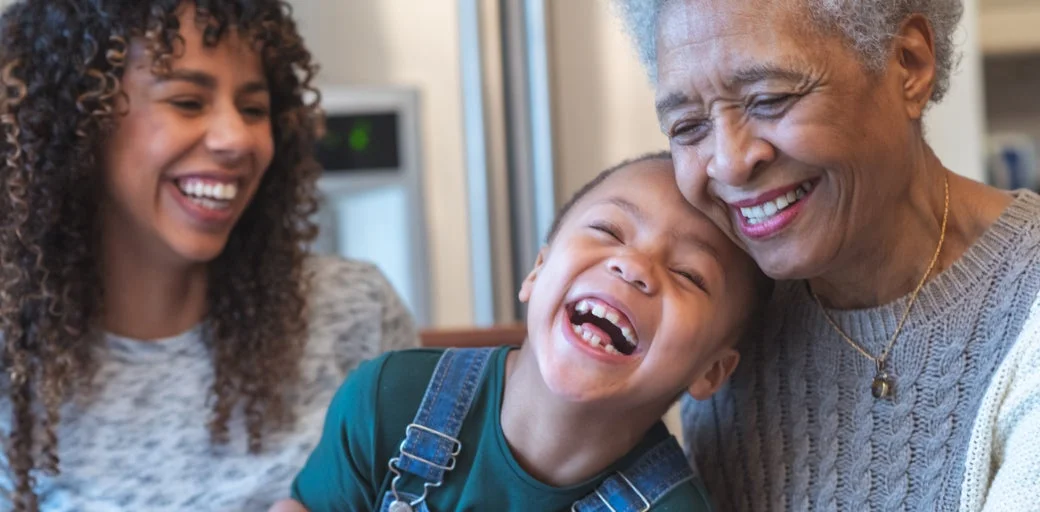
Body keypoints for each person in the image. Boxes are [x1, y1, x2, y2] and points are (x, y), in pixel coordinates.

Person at [614, 0, 1040, 510]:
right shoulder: (721, 308)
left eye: (769, 99)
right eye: (687, 127)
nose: (728, 163)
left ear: (909, 65)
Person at [0, 1, 417, 510]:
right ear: (79, 121)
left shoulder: (358, 314)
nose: (236, 138)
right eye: (188, 102)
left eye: (254, 109)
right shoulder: (13, 366)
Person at [271, 153, 771, 512]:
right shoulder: (386, 401)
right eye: (609, 231)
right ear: (538, 270)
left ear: (711, 371)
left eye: (689, 275)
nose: (634, 266)